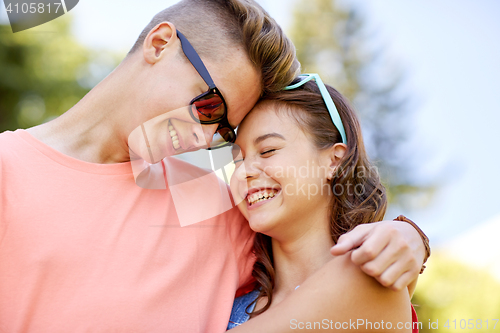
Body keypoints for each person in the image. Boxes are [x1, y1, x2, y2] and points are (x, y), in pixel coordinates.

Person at [0, 0, 428, 332]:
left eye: (223, 131)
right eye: (209, 106)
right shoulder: (8, 171)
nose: (206, 139)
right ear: (160, 43)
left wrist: (409, 235)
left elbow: (305, 206)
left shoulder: (208, 195)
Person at [227, 74, 419, 332]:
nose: (242, 172)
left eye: (268, 150)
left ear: (334, 160)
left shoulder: (368, 278)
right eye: (237, 160)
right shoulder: (229, 301)